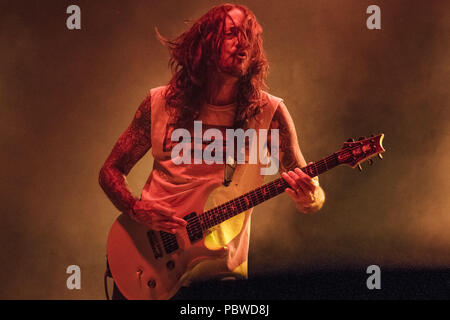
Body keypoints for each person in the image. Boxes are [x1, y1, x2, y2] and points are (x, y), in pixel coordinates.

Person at [99, 3, 325, 300]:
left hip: (219, 277)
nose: (243, 42)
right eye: (232, 33)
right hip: (147, 261)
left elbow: (312, 194)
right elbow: (110, 171)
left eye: (249, 35)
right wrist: (136, 209)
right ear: (204, 44)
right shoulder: (160, 103)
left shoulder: (270, 114)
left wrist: (309, 196)